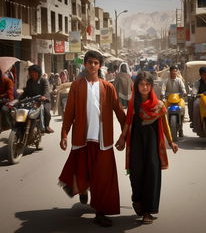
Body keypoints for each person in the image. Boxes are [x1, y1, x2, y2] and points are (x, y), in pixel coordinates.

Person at [59, 50, 126, 227]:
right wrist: (64, 134)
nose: (93, 65)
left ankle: (100, 212)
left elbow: (119, 111)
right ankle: (82, 188)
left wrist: (124, 134)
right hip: (82, 138)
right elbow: (69, 112)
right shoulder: (77, 85)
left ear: (100, 66)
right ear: (85, 64)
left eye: (96, 63)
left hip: (103, 141)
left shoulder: (108, 87)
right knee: (82, 170)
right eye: (90, 62)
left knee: (103, 178)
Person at [115, 71, 178, 225]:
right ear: (137, 86)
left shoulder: (159, 105)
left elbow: (165, 125)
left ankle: (148, 210)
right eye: (141, 84)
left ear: (151, 86)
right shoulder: (133, 102)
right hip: (136, 142)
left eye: (147, 85)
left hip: (153, 144)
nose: (144, 87)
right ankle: (136, 199)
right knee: (136, 174)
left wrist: (171, 142)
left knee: (152, 174)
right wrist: (122, 138)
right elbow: (128, 122)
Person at [19, 65, 54, 134]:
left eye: (35, 72)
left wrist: (44, 97)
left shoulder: (44, 80)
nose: (33, 74)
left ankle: (46, 126)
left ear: (39, 73)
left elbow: (46, 90)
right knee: (21, 109)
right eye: (31, 72)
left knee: (46, 111)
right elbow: (26, 92)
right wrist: (19, 98)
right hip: (31, 100)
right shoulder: (29, 81)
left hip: (43, 100)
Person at [161, 65, 187, 137]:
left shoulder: (179, 80)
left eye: (175, 72)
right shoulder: (166, 80)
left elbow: (183, 88)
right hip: (169, 99)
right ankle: (166, 127)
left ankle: (181, 129)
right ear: (170, 72)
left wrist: (184, 92)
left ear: (177, 72)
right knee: (164, 112)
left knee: (183, 110)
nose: (174, 73)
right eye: (172, 72)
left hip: (178, 99)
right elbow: (163, 88)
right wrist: (163, 94)